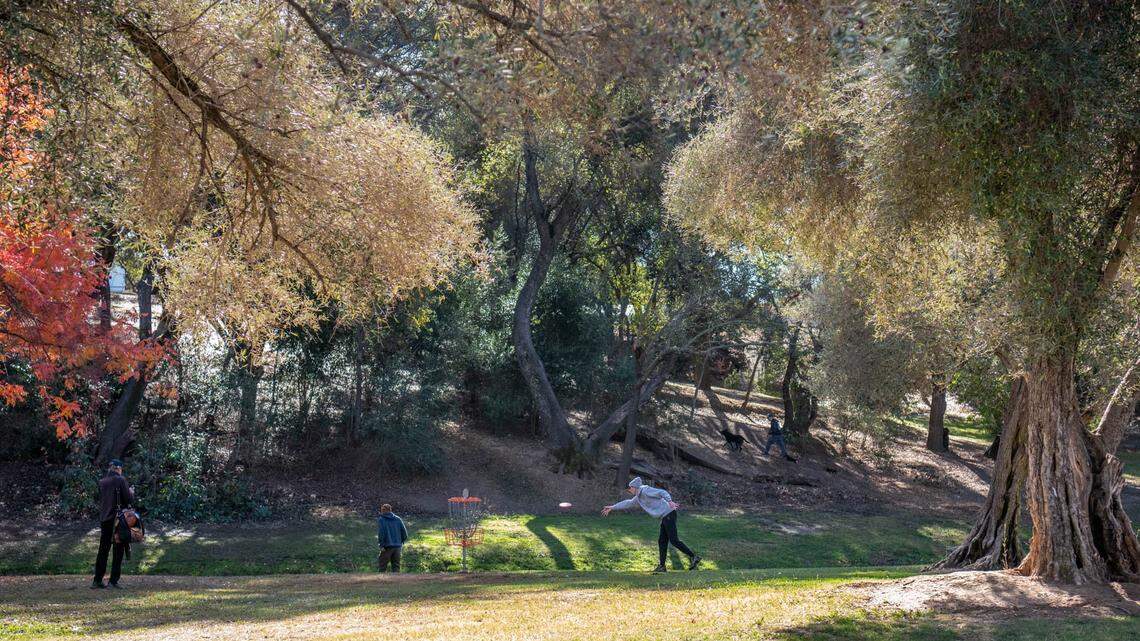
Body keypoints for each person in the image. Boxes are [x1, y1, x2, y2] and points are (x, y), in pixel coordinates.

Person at [601, 477, 701, 573]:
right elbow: (628, 503)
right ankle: (662, 566)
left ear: (634, 487)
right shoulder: (638, 497)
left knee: (674, 540)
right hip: (665, 516)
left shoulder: (645, 490)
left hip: (668, 513)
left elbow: (662, 492)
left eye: (629, 488)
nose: (629, 491)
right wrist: (612, 507)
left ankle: (693, 556)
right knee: (662, 541)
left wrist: (670, 501)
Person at [92, 459, 133, 589]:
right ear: (118, 468)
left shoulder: (102, 482)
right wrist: (132, 491)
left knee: (103, 550)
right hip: (118, 519)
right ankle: (113, 581)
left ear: (110, 468)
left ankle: (97, 580)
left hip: (105, 519)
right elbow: (128, 499)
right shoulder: (121, 480)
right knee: (118, 550)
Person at [377, 504, 408, 572]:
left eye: (382, 510)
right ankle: (396, 581)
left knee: (382, 566)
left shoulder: (381, 520)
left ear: (383, 510)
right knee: (396, 566)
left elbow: (381, 533)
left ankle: (380, 581)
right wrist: (400, 542)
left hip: (387, 547)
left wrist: (381, 544)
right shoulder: (398, 519)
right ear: (390, 510)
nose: (381, 511)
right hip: (397, 546)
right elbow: (404, 533)